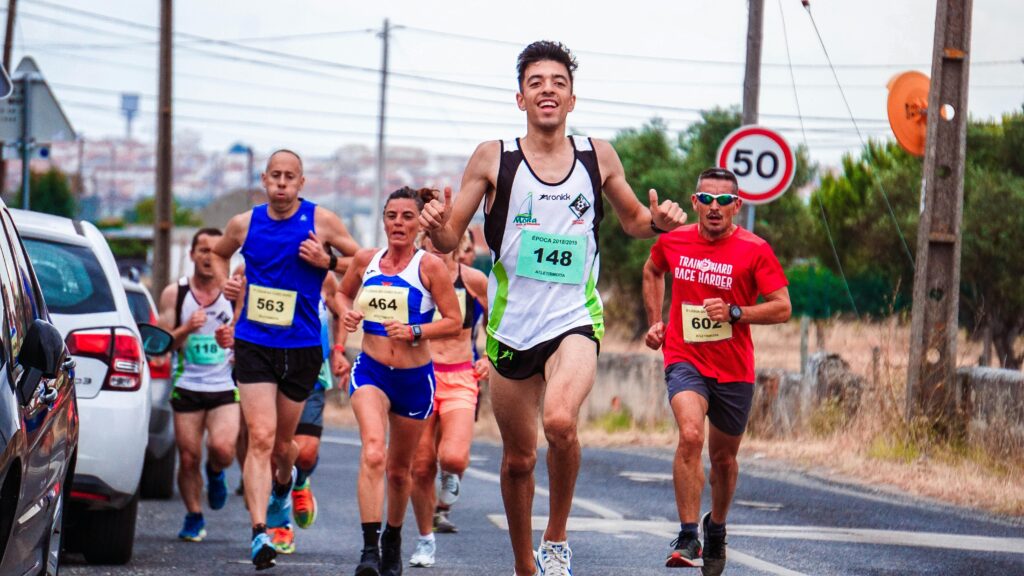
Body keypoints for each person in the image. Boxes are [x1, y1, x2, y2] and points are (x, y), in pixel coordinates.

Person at [418, 41, 687, 576]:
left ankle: (557, 538)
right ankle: (524, 564)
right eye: (536, 82)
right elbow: (450, 236)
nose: (547, 90)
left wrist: (658, 221)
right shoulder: (493, 157)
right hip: (511, 327)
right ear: (520, 98)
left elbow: (634, 220)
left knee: (561, 422)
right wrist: (436, 223)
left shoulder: (597, 156)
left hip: (574, 318)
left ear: (571, 98)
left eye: (557, 82)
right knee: (519, 460)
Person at [213, 149, 359, 570]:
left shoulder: (321, 220)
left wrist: (327, 260)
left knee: (284, 446)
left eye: (288, 177)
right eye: (274, 176)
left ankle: (283, 489)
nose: (281, 183)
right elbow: (220, 253)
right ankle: (259, 532)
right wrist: (229, 286)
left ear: (301, 182)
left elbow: (361, 260)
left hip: (300, 347)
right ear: (263, 179)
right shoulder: (244, 223)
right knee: (259, 436)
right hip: (254, 342)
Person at [642, 167, 791, 573]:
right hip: (684, 358)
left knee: (723, 460)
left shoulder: (755, 249)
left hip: (734, 368)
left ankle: (717, 528)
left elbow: (782, 306)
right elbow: (653, 269)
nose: (713, 207)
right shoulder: (673, 241)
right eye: (706, 199)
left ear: (737, 207)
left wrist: (736, 312)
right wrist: (656, 321)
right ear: (694, 203)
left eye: (723, 201)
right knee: (690, 435)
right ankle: (689, 534)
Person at [336, 186, 462, 576]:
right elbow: (341, 296)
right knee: (374, 451)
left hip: (413, 378)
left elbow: (453, 320)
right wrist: (347, 315)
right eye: (392, 215)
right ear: (383, 219)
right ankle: (369, 550)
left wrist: (414, 332)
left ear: (418, 222)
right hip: (371, 370)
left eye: (408, 216)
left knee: (398, 469)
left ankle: (393, 539)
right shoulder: (364, 260)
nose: (398, 223)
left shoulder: (430, 267)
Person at [408, 231, 489, 567]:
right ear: (423, 242)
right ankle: (425, 540)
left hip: (460, 376)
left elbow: (500, 318)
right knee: (422, 465)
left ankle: (451, 475)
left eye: (446, 237)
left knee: (453, 457)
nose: (438, 245)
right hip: (420, 374)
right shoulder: (413, 276)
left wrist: (490, 357)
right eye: (431, 239)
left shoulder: (474, 280)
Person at [158, 227, 239, 542]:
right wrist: (186, 329)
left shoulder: (235, 293)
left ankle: (217, 471)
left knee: (222, 448)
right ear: (191, 255)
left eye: (215, 251)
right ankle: (194, 515)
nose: (208, 257)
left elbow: (252, 338)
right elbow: (163, 343)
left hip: (224, 387)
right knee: (188, 455)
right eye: (202, 250)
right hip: (187, 384)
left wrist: (235, 340)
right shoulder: (175, 293)